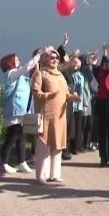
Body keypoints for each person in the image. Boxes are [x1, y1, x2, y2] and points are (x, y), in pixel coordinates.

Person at [31, 49, 80, 185]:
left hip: (60, 116)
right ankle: (42, 175)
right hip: (46, 115)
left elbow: (65, 94)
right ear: (45, 59)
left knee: (58, 145)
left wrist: (73, 97)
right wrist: (48, 95)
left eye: (57, 58)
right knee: (44, 145)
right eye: (51, 57)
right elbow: (36, 93)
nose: (54, 60)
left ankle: (55, 174)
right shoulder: (40, 73)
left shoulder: (60, 75)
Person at [0, 51, 40, 174]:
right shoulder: (10, 74)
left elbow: (30, 76)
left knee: (21, 138)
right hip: (14, 111)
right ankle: (3, 162)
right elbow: (24, 69)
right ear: (9, 63)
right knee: (12, 137)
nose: (18, 61)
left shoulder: (19, 76)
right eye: (16, 60)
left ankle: (22, 162)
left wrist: (36, 66)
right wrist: (37, 57)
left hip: (22, 111)